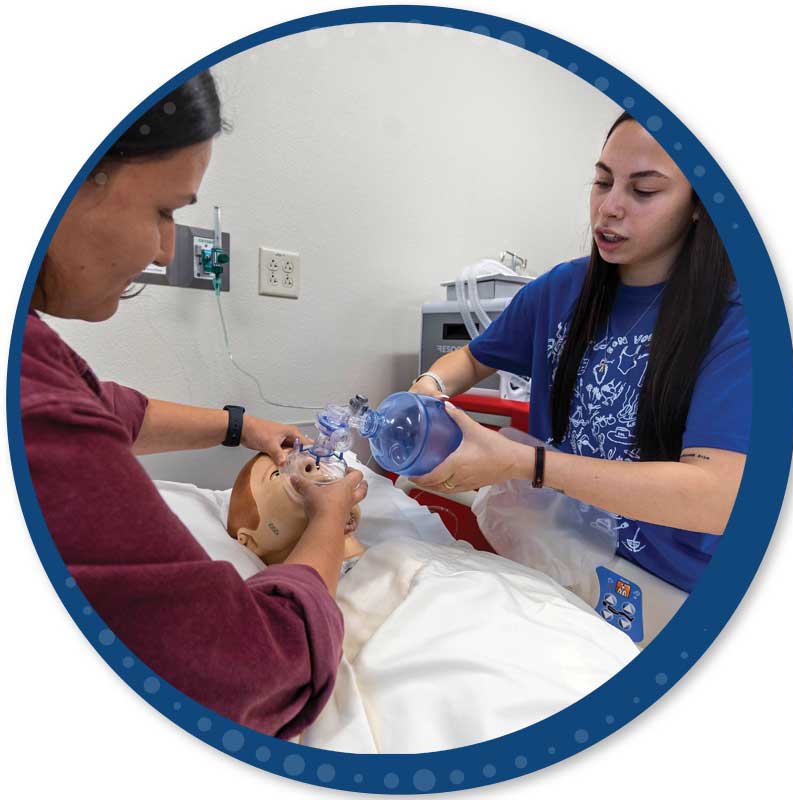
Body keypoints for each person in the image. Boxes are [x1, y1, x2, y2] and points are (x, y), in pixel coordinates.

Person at [21, 71, 366, 739]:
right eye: (163, 211)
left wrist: (244, 428)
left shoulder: (35, 363)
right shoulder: (34, 401)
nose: (164, 250)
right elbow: (257, 668)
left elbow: (100, 410)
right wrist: (324, 519)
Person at [410, 112, 750, 593]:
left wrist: (526, 464)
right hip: (566, 551)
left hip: (670, 588)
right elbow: (469, 359)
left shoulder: (736, 321)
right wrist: (432, 386)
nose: (608, 208)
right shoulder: (559, 291)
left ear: (698, 204)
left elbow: (716, 496)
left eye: (644, 191)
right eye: (602, 181)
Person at [227, 450, 365, 570]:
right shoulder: (279, 597)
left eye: (298, 455)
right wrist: (330, 517)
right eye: (275, 473)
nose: (311, 461)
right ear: (251, 542)